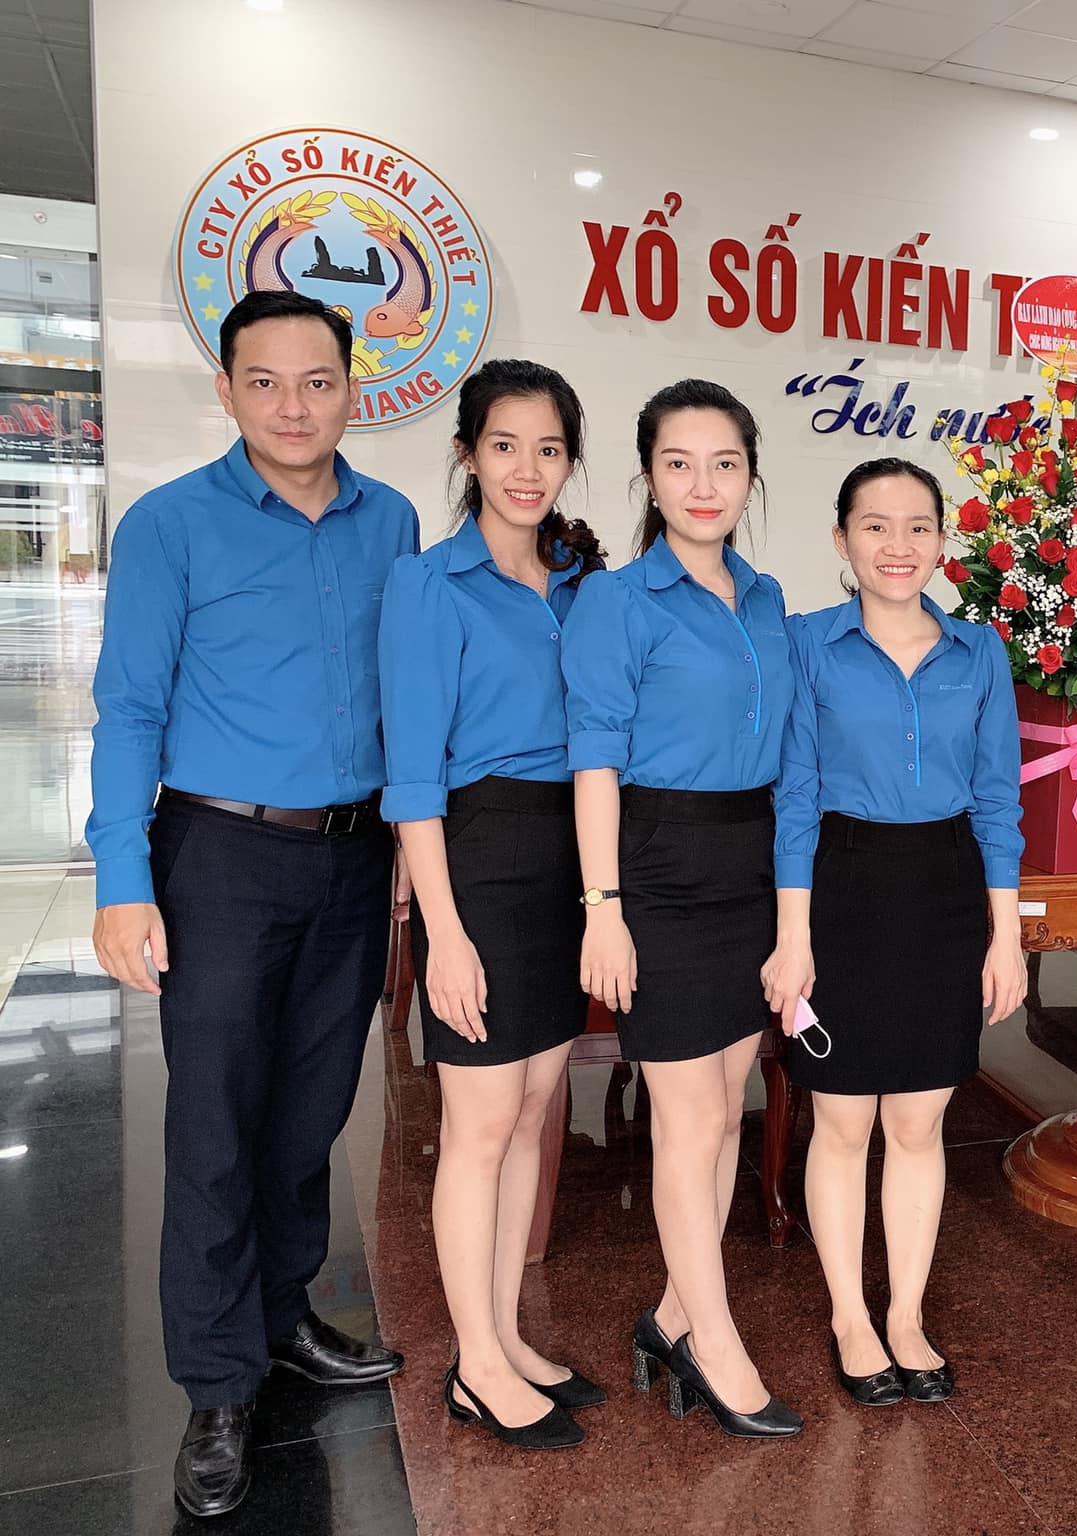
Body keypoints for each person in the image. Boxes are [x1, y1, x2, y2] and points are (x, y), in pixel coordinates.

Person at [87, 291, 417, 1518]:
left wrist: (412, 847)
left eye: (317, 381)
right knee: (217, 1122)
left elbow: (408, 693)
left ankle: (284, 1317)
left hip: (354, 855)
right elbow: (129, 709)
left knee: (312, 1108)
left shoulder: (392, 522)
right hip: (220, 852)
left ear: (351, 389)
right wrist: (123, 879)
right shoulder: (170, 526)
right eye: (265, 381)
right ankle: (218, 1384)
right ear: (225, 390)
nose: (293, 405)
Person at [562, 379, 801, 1438]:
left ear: (750, 477)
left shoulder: (768, 599)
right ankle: (715, 1344)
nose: (703, 486)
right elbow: (595, 766)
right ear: (647, 479)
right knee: (690, 1117)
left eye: (724, 464)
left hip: (748, 864)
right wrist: (602, 908)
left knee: (724, 1105)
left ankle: (670, 1317)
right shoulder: (616, 601)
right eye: (678, 464)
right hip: (653, 867)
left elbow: (791, 752)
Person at [378, 359, 608, 1447]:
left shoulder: (580, 581)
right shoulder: (429, 584)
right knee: (476, 1126)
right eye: (505, 445)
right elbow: (413, 780)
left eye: (548, 449)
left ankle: (507, 1335)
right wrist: (444, 935)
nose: (527, 469)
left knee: (531, 1112)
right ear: (467, 453)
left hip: (570, 862)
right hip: (478, 861)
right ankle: (473, 1365)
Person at [763, 457, 1026, 1406]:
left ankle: (907, 1314)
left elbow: (998, 801)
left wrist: (1005, 935)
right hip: (841, 888)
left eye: (918, 526)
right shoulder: (808, 643)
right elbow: (795, 798)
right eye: (875, 526)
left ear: (943, 542)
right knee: (842, 1122)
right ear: (841, 540)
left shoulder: (979, 652)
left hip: (946, 892)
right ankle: (850, 1316)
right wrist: (794, 938)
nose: (898, 545)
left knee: (919, 1123)